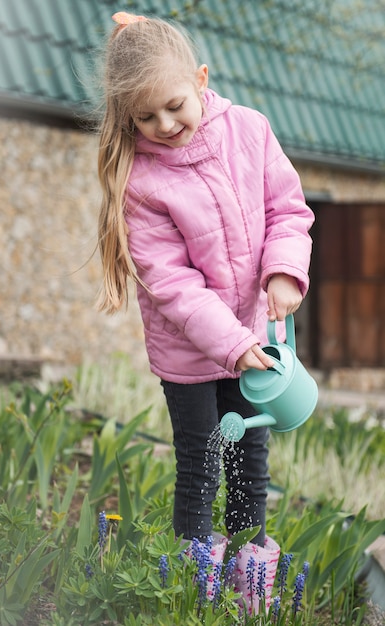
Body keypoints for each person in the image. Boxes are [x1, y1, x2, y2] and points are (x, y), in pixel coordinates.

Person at [97, 11, 314, 611]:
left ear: (200, 79)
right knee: (202, 461)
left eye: (173, 106)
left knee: (250, 460)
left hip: (250, 339)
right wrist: (232, 343)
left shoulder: (250, 130)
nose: (164, 125)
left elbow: (287, 211)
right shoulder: (141, 183)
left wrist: (282, 270)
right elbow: (172, 282)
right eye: (146, 117)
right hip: (189, 353)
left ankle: (250, 587)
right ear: (128, 118)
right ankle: (195, 588)